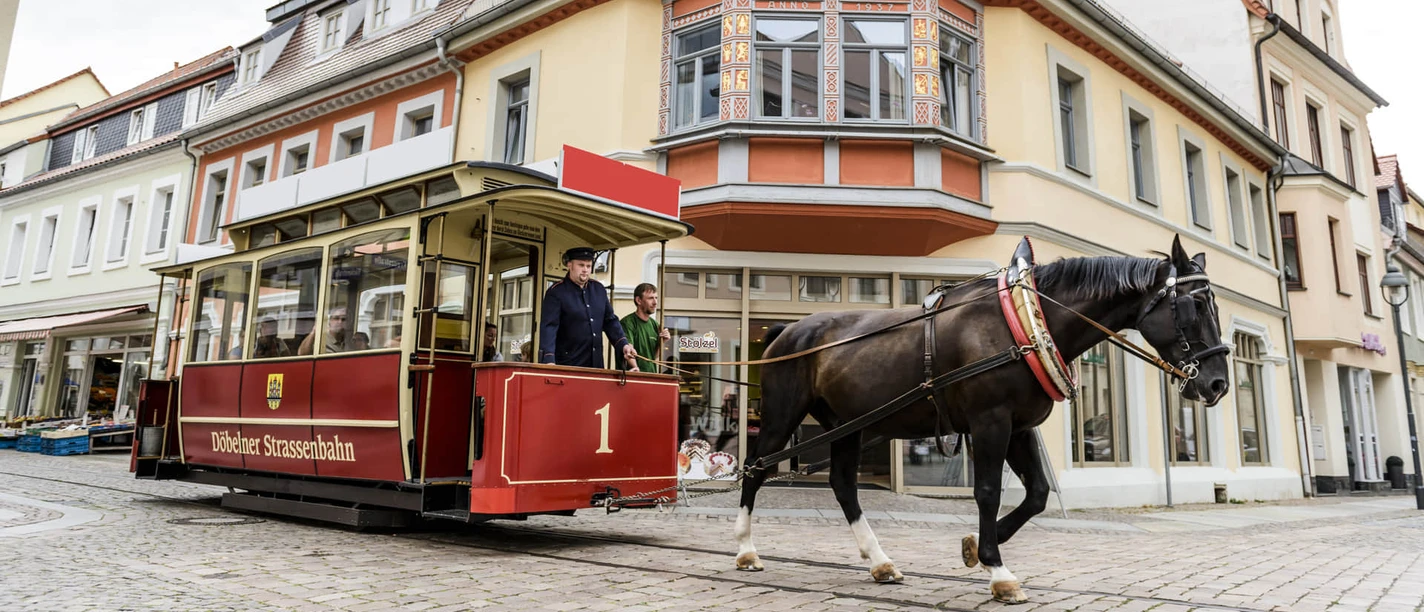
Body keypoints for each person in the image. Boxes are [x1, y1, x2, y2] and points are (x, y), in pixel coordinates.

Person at [539, 246, 637, 369]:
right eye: (581, 265)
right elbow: (549, 328)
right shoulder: (556, 292)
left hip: (595, 364)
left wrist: (624, 345)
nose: (585, 270)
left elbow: (610, 321)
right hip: (567, 364)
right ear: (570, 265)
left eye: (588, 266)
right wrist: (548, 360)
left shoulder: (599, 289)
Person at [619, 283, 671, 373]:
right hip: (633, 376)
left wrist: (662, 341)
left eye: (656, 298)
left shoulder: (654, 324)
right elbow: (628, 350)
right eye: (651, 298)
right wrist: (635, 367)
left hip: (651, 375)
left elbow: (653, 356)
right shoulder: (627, 323)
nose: (655, 302)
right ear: (638, 300)